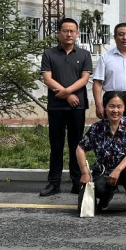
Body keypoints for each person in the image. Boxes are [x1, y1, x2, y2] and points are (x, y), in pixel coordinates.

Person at [39, 18, 92, 196]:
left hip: (77, 106)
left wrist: (68, 92)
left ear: (77, 34)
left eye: (72, 31)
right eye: (65, 31)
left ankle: (77, 182)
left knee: (76, 145)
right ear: (58, 33)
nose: (68, 34)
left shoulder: (84, 54)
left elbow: (85, 79)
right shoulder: (49, 54)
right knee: (56, 145)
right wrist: (67, 95)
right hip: (56, 107)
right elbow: (47, 79)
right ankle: (54, 183)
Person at [76, 92, 126, 214]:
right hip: (104, 170)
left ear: (124, 108)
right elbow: (80, 148)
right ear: (105, 107)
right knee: (99, 188)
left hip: (125, 168)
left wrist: (117, 170)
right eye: (112, 106)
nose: (115, 110)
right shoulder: (97, 128)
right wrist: (85, 172)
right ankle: (106, 197)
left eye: (119, 107)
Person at [93, 23, 126, 132]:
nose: (125, 38)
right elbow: (97, 83)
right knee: (112, 132)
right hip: (112, 99)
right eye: (121, 34)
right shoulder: (106, 57)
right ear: (115, 37)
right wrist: (99, 105)